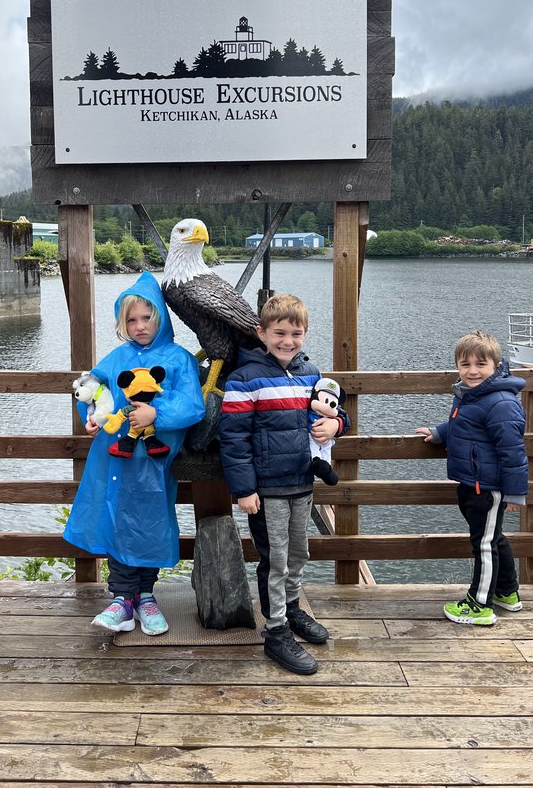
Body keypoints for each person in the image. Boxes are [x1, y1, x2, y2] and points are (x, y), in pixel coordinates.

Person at [64, 272, 205, 635]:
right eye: (131, 320)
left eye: (146, 317)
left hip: (154, 464)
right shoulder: (116, 357)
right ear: (122, 323)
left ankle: (144, 595)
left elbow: (192, 405)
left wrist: (157, 413)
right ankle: (122, 599)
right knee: (115, 520)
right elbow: (93, 391)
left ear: (160, 317)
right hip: (113, 459)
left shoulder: (179, 359)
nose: (139, 326)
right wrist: (90, 419)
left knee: (149, 525)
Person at [219, 293, 350, 674]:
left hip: (302, 483)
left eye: (296, 333)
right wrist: (244, 489)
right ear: (262, 333)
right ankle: (275, 632)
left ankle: (291, 610)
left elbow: (335, 411)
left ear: (305, 334)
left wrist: (336, 425)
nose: (287, 341)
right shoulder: (244, 379)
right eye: (279, 333)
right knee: (274, 560)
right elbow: (234, 439)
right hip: (267, 489)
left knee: (299, 553)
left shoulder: (312, 375)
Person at [415, 330, 528, 627]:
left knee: (484, 545)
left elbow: (513, 451)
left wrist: (515, 494)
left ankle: (480, 604)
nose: (473, 371)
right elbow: (464, 427)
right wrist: (439, 433)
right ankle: (507, 592)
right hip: (474, 484)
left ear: (497, 365)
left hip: (489, 488)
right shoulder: (472, 396)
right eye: (465, 364)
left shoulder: (501, 402)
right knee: (492, 539)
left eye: (481, 364)